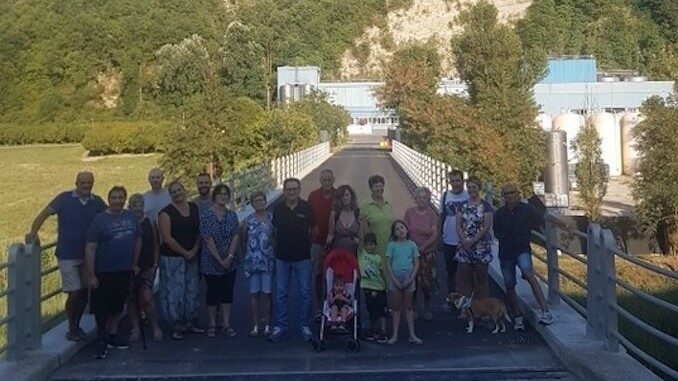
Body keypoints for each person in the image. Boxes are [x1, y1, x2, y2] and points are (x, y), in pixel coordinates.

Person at [26, 171, 106, 342]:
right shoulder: (64, 199)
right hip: (67, 254)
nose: (86, 186)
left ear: (93, 183)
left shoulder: (97, 202)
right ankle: (71, 326)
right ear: (76, 183)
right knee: (75, 291)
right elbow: (44, 214)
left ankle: (77, 325)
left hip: (88, 255)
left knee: (85, 291)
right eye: (82, 183)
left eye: (89, 183)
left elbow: (108, 218)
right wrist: (33, 232)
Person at [84, 186, 140, 358]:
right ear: (109, 199)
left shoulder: (130, 216)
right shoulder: (99, 220)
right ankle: (101, 337)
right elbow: (91, 247)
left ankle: (113, 335)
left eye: (120, 197)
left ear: (125, 199)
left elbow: (138, 239)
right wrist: (91, 274)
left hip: (123, 269)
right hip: (104, 270)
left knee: (118, 305)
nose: (117, 200)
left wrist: (134, 263)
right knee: (102, 307)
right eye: (114, 197)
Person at [494, 183, 555, 328]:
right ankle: (517, 315)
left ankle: (545, 310)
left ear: (517, 194)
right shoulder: (499, 214)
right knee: (509, 285)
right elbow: (496, 232)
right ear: (503, 197)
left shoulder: (526, 209)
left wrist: (565, 225)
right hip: (506, 253)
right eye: (506, 194)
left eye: (512, 193)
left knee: (529, 274)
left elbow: (544, 217)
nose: (510, 196)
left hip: (522, 250)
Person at [269, 178, 315, 342]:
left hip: (303, 256)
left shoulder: (306, 207)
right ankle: (280, 326)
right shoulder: (278, 209)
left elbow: (313, 230)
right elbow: (274, 232)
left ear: (299, 189)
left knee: (305, 293)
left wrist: (307, 246)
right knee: (281, 293)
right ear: (284, 191)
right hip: (283, 257)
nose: (292, 191)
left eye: (295, 188)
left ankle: (305, 326)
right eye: (288, 189)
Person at [157, 180, 203, 340]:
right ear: (170, 195)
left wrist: (194, 250)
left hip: (192, 255)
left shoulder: (194, 207)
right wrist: (185, 252)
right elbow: (167, 238)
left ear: (185, 190)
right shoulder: (165, 213)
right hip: (172, 258)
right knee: (174, 292)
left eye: (179, 190)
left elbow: (199, 231)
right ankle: (176, 324)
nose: (178, 193)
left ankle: (190, 321)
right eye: (174, 192)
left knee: (192, 290)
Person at [199, 184, 240, 338]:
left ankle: (226, 323)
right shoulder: (206, 216)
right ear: (214, 196)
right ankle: (212, 323)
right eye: (220, 194)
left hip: (230, 261)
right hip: (211, 261)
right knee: (212, 293)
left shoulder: (232, 215)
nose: (223, 197)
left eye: (225, 194)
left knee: (227, 293)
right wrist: (219, 260)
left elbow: (236, 235)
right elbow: (208, 240)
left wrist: (229, 257)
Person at [126, 194, 163, 342]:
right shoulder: (126, 222)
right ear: (129, 207)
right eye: (134, 204)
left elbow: (155, 243)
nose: (137, 207)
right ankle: (135, 327)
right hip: (129, 266)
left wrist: (155, 263)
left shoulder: (149, 221)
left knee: (147, 297)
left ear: (143, 206)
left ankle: (155, 326)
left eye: (139, 204)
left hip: (147, 265)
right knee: (131, 298)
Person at [242, 191, 275, 337]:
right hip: (253, 262)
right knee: (254, 294)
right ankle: (256, 324)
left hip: (267, 261)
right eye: (256, 201)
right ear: (252, 203)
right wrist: (246, 256)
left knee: (267, 294)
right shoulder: (247, 220)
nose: (259, 202)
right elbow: (243, 239)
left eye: (261, 200)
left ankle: (267, 323)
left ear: (265, 201)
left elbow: (276, 237)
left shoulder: (272, 219)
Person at [404, 187, 439, 321]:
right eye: (420, 197)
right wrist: (412, 248)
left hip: (427, 253)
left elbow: (435, 234)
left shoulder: (432, 215)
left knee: (426, 282)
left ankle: (426, 306)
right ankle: (412, 308)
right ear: (415, 199)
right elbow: (404, 231)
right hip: (411, 253)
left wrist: (423, 247)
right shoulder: (409, 213)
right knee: (412, 281)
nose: (422, 200)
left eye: (425, 198)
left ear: (428, 199)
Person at [455, 176, 494, 299]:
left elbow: (486, 226)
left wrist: (472, 240)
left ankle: (482, 308)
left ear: (479, 188)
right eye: (469, 187)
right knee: (464, 278)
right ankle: (465, 308)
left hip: (481, 247)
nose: (472, 190)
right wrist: (464, 240)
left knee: (481, 278)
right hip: (465, 246)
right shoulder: (462, 205)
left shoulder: (486, 206)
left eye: (474, 187)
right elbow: (458, 225)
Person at [385, 220, 422, 345]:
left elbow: (416, 263)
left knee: (409, 306)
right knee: (396, 307)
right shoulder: (391, 245)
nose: (400, 230)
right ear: (394, 233)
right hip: (395, 279)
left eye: (402, 227)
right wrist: (394, 279)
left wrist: (411, 279)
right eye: (397, 229)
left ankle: (412, 334)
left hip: (408, 278)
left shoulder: (412, 245)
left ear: (406, 229)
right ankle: (394, 335)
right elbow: (388, 264)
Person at [307, 169, 335, 319]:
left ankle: (333, 305)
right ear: (320, 180)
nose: (327, 183)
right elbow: (308, 216)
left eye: (329, 180)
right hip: (317, 242)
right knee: (317, 275)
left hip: (334, 242)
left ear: (333, 180)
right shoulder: (313, 196)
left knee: (334, 276)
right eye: (324, 180)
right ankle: (318, 308)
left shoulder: (338, 195)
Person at [439, 170, 469, 295]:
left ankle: (466, 300)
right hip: (449, 239)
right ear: (449, 182)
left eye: (458, 180)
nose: (456, 183)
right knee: (451, 272)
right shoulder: (445, 196)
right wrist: (439, 237)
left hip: (466, 241)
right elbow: (441, 216)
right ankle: (451, 298)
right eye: (453, 181)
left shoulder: (469, 196)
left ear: (462, 181)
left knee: (466, 273)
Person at [358, 233, 388, 343]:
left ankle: (383, 331)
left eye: (371, 244)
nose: (369, 247)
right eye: (367, 245)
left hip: (379, 287)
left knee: (382, 309)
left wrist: (386, 283)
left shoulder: (378, 258)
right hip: (366, 286)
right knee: (370, 310)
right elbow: (360, 241)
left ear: (375, 245)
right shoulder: (361, 254)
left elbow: (382, 272)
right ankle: (373, 330)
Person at [361, 175, 393, 261]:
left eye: (381, 186)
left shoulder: (388, 204)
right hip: (373, 249)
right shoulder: (365, 206)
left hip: (389, 248)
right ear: (371, 188)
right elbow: (363, 231)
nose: (379, 188)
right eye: (376, 186)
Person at [326, 184, 362, 254]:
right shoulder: (335, 213)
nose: (345, 198)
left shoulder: (357, 213)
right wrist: (329, 239)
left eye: (347, 195)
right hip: (338, 255)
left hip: (354, 254)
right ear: (339, 198)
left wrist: (359, 241)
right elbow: (330, 235)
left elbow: (362, 237)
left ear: (351, 196)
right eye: (342, 196)